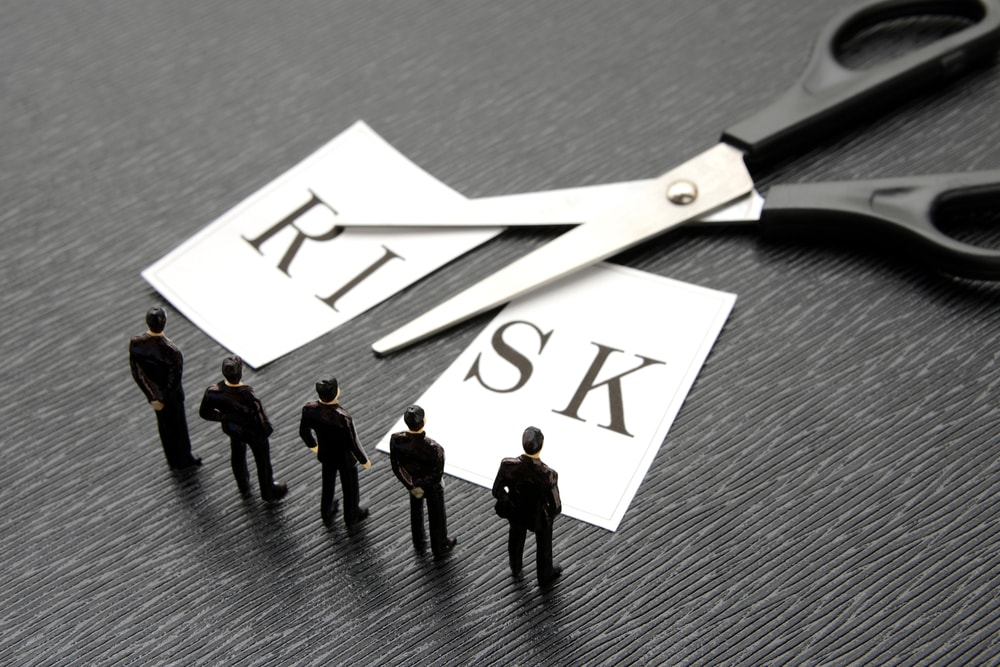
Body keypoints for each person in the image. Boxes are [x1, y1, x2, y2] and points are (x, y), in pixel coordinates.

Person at [199, 356, 287, 502]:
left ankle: (243, 484)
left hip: (233, 430)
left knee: (237, 454)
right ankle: (268, 491)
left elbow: (205, 413)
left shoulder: (213, 392)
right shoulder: (250, 398)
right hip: (255, 434)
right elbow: (262, 422)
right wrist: (265, 433)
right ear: (240, 373)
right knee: (263, 462)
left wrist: (226, 418)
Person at [128, 306, 201, 469]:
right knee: (179, 428)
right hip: (172, 398)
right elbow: (174, 381)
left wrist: (153, 396)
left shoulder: (136, 344)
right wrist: (162, 397)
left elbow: (137, 373)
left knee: (164, 428)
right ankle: (185, 458)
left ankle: (172, 460)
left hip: (156, 398)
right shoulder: (172, 352)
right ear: (164, 323)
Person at [492, 426, 562, 586]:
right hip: (538, 516)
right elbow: (556, 507)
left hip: (516, 511)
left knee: (515, 537)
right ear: (542, 445)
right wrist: (546, 514)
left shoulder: (507, 465)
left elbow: (497, 491)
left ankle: (515, 567)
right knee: (544, 543)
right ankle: (545, 575)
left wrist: (509, 500)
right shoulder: (548, 475)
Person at [299, 377, 371, 526]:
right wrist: (364, 460)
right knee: (350, 489)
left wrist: (314, 446)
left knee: (327, 484)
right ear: (337, 391)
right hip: (345, 459)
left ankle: (326, 511)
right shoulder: (343, 417)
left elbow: (304, 432)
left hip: (326, 455)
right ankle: (351, 516)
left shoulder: (309, 410)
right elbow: (353, 443)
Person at [389, 405, 456, 557]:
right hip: (432, 487)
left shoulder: (396, 440)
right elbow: (436, 475)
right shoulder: (434, 448)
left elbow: (396, 467)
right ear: (424, 421)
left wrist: (412, 485)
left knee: (416, 511)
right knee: (437, 516)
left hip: (412, 484)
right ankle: (439, 546)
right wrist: (419, 483)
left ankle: (418, 540)